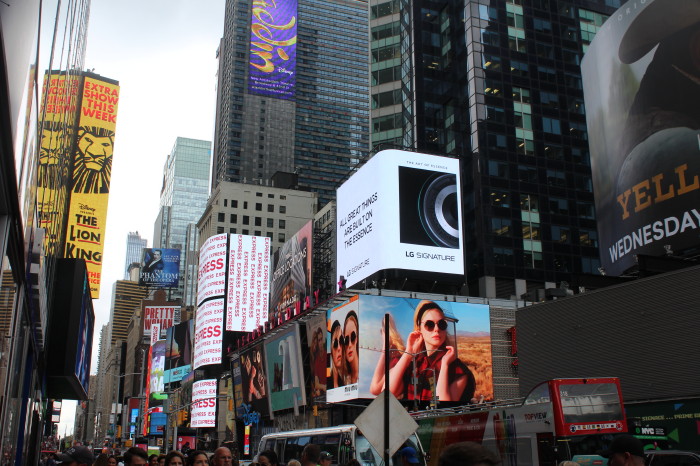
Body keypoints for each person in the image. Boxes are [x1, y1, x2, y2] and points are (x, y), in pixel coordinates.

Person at [388, 300, 475, 402]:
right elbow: (388, 393)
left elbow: (444, 406)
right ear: (419, 328)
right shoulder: (415, 363)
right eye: (430, 324)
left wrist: (444, 366)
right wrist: (408, 353)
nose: (436, 329)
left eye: (441, 324)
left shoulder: (457, 369)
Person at [370, 313, 405, 395]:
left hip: (398, 381)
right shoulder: (392, 351)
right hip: (391, 385)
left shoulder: (397, 351)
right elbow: (374, 389)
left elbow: (374, 389)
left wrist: (385, 345)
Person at [328, 320, 347, 388]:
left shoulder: (346, 381)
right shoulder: (327, 383)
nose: (339, 348)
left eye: (341, 340)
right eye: (335, 343)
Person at [343, 311, 359, 384]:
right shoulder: (344, 379)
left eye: (353, 337)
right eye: (346, 340)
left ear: (357, 339)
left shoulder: (365, 373)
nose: (349, 345)